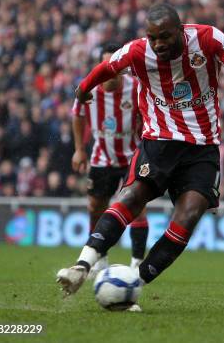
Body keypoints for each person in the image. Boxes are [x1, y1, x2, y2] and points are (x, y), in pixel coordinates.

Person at [56, 3, 224, 303]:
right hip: (159, 141)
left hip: (202, 147)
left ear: (181, 30)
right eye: (152, 38)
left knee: (188, 216)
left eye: (165, 36)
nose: (158, 44)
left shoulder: (208, 38)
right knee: (131, 198)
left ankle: (133, 283)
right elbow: (107, 68)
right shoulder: (137, 52)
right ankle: (81, 266)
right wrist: (84, 88)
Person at [71, 42, 149, 277]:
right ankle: (100, 258)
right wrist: (79, 149)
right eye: (107, 64)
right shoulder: (89, 88)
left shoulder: (135, 87)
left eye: (116, 64)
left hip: (132, 156)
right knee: (96, 208)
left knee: (137, 207)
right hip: (102, 158)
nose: (112, 69)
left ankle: (136, 263)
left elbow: (148, 113)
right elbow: (78, 114)